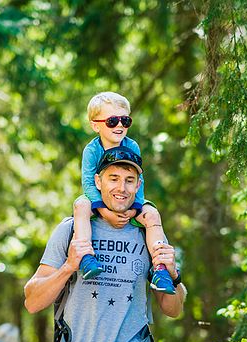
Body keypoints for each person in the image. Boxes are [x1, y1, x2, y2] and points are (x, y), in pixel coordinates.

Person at [24, 148, 187, 342]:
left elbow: (173, 309)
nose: (121, 188)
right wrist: (69, 266)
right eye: (113, 178)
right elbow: (32, 301)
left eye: (129, 180)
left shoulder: (148, 233)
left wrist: (173, 274)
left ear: (138, 184)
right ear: (98, 182)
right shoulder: (71, 230)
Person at [74, 91, 176, 295]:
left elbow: (138, 179)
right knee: (81, 206)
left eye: (125, 120)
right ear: (96, 125)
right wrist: (104, 211)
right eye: (112, 121)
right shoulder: (92, 150)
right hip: (99, 200)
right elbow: (88, 182)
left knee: (153, 215)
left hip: (130, 199)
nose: (120, 125)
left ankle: (160, 269)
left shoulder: (132, 146)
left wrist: (136, 207)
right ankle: (86, 257)